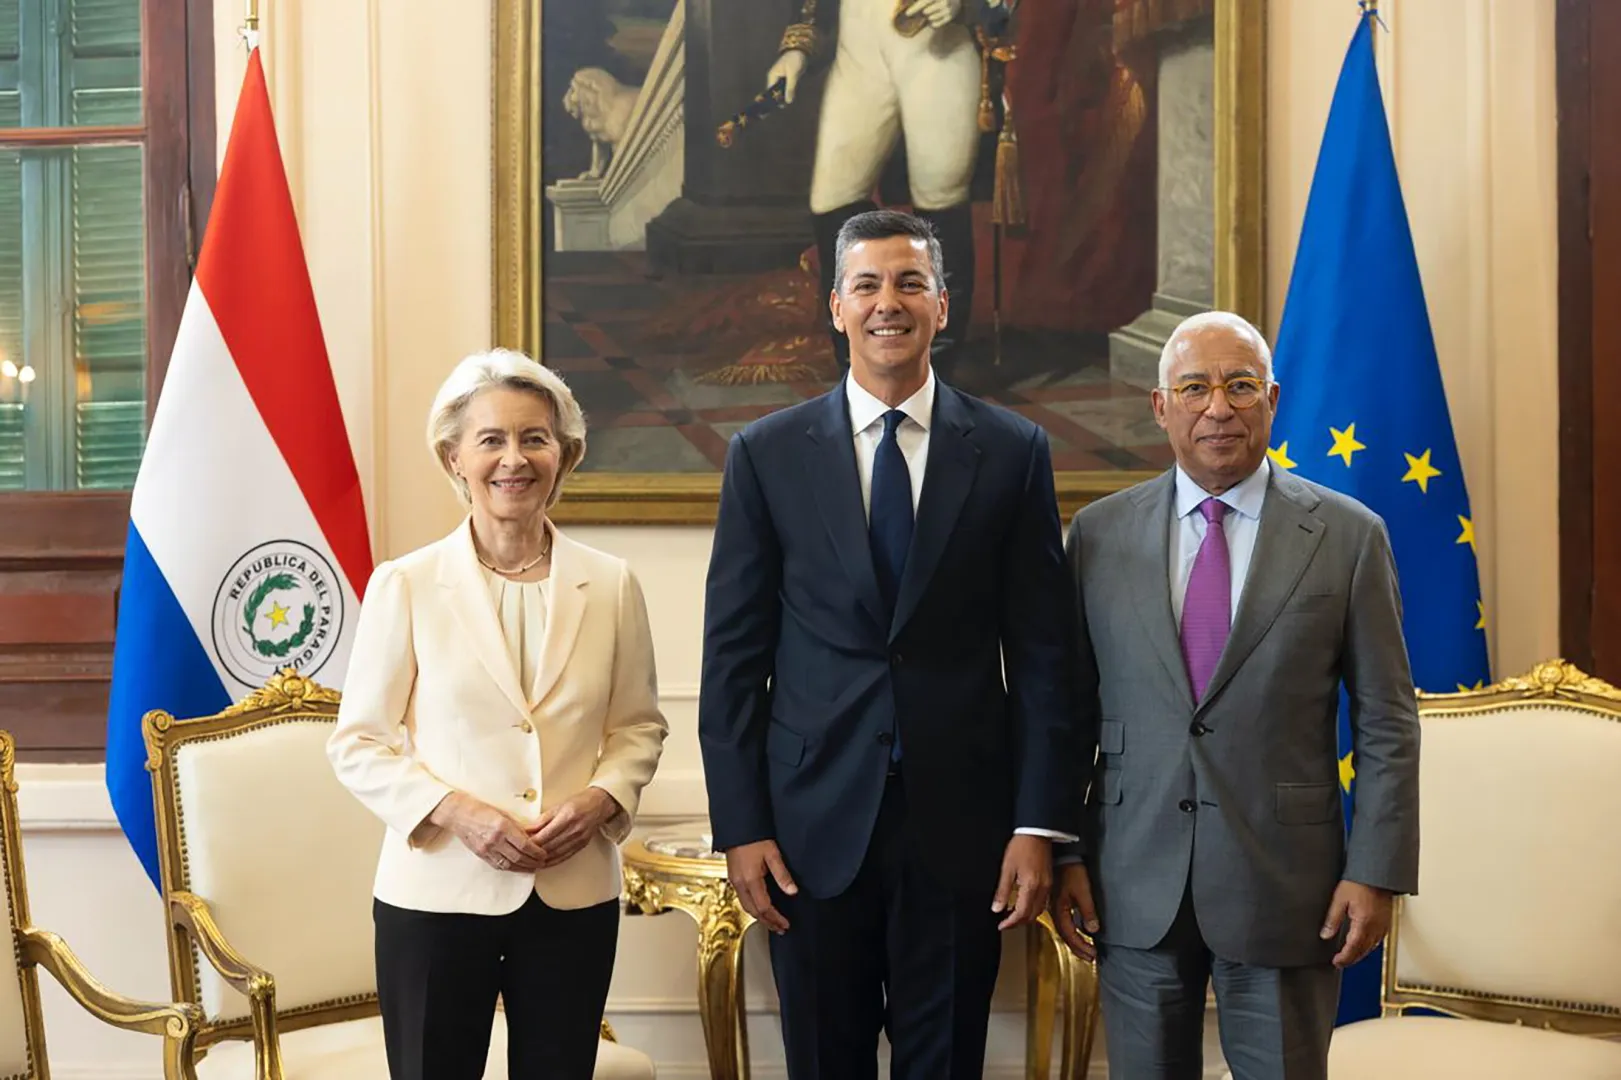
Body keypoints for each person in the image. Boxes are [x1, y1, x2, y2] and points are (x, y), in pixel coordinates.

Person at [699, 209, 1081, 1079]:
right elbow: (731, 661)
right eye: (866, 285)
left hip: (963, 831)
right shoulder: (764, 454)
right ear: (834, 307)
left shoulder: (1014, 452)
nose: (888, 303)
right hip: (806, 833)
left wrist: (1037, 825)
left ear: (942, 305)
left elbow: (1045, 657)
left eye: (909, 283)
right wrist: (742, 825)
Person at [1049, 312, 1420, 1080]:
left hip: (1286, 883)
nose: (1218, 407)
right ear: (1161, 407)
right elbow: (1065, 714)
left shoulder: (1348, 536)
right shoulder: (1097, 536)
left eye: (1239, 386)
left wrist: (1376, 869)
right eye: (1194, 387)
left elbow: (1386, 720)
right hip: (1131, 881)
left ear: (1272, 399)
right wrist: (1067, 852)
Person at [328, 349, 668, 1080]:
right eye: (491, 440)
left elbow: (639, 725)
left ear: (564, 454)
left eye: (534, 438)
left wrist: (602, 798)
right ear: (453, 458)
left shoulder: (610, 584)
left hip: (574, 888)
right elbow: (358, 743)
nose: (514, 459)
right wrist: (456, 811)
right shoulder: (406, 584)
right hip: (437, 893)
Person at [767, 0, 1010, 374]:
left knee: (939, 199)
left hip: (937, 52)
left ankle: (935, 376)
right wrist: (797, 49)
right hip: (858, 57)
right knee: (833, 200)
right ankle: (859, 370)